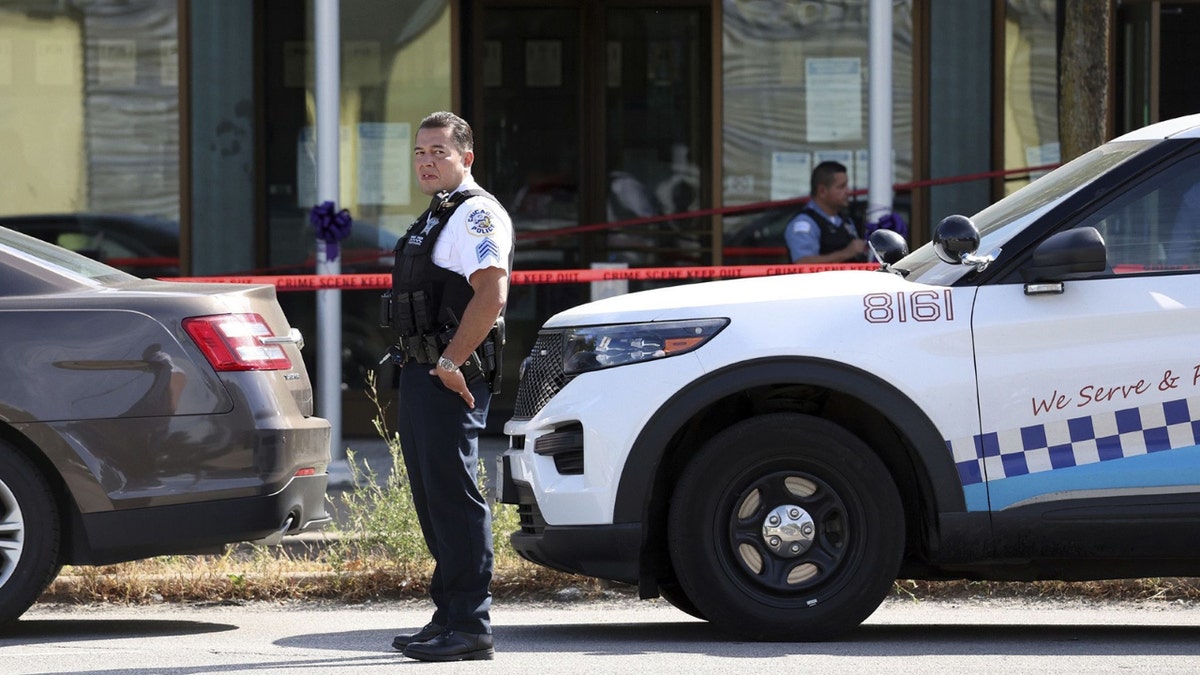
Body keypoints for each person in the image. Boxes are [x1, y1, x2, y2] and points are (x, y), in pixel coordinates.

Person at [386, 111, 512, 662]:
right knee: (432, 497)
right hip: (426, 372)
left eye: (438, 150)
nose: (427, 161)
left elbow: (492, 296)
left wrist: (452, 362)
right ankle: (448, 614)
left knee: (455, 498)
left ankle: (471, 624)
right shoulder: (439, 213)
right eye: (420, 152)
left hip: (450, 377)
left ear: (467, 156)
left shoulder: (476, 213)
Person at [784, 160, 868, 264]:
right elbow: (803, 262)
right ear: (822, 191)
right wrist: (846, 253)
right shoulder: (805, 223)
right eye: (841, 187)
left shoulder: (845, 220)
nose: (848, 191)